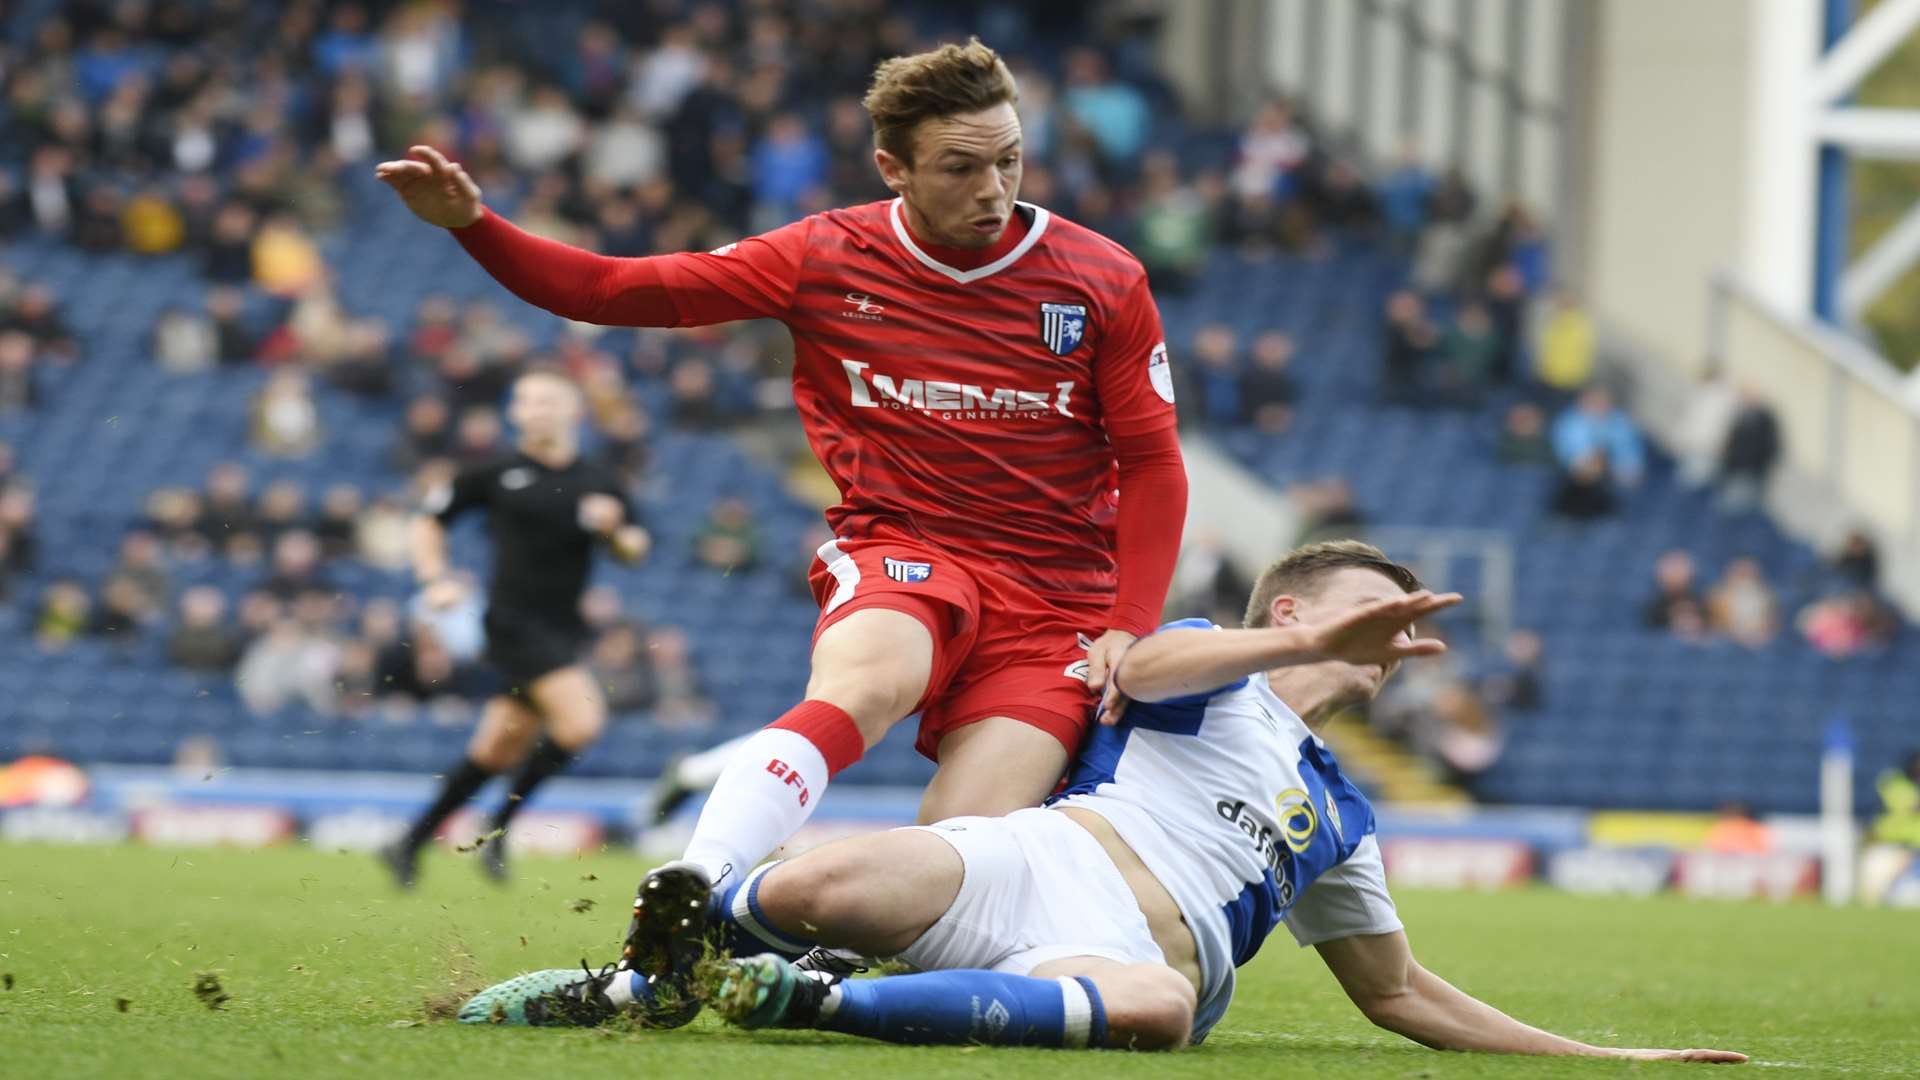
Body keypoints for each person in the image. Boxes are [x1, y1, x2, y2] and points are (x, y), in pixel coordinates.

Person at [376, 39, 1187, 925]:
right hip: (908, 553)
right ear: (894, 167)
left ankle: (798, 955)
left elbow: (1152, 461)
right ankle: (691, 892)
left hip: (1056, 601)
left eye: (1010, 160)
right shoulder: (823, 256)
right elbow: (608, 288)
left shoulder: (1101, 277)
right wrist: (473, 224)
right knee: (864, 683)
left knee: (959, 858)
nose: (993, 189)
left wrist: (1128, 625)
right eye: (961, 167)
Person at [461, 542, 1744, 1066]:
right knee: (812, 885)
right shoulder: (1210, 670)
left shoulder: (1347, 818)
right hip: (1037, 862)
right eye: (1362, 603)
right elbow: (1151, 661)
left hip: (1130, 945)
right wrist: (1285, 648)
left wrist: (1609, 1058)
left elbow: (1400, 993)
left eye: (1395, 615)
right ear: (1289, 612)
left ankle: (816, 1000)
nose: (1388, 627)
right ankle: (639, 981)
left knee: (1159, 1006)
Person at [378, 369, 651, 887]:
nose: (534, 409)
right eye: (524, 400)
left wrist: (615, 530)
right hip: (511, 624)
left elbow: (637, 549)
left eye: (547, 399)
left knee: (496, 751)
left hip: (563, 628)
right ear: (513, 413)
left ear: (574, 411)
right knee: (581, 723)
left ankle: (409, 841)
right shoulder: (495, 471)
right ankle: (497, 828)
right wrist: (434, 578)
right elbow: (427, 520)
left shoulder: (599, 480)